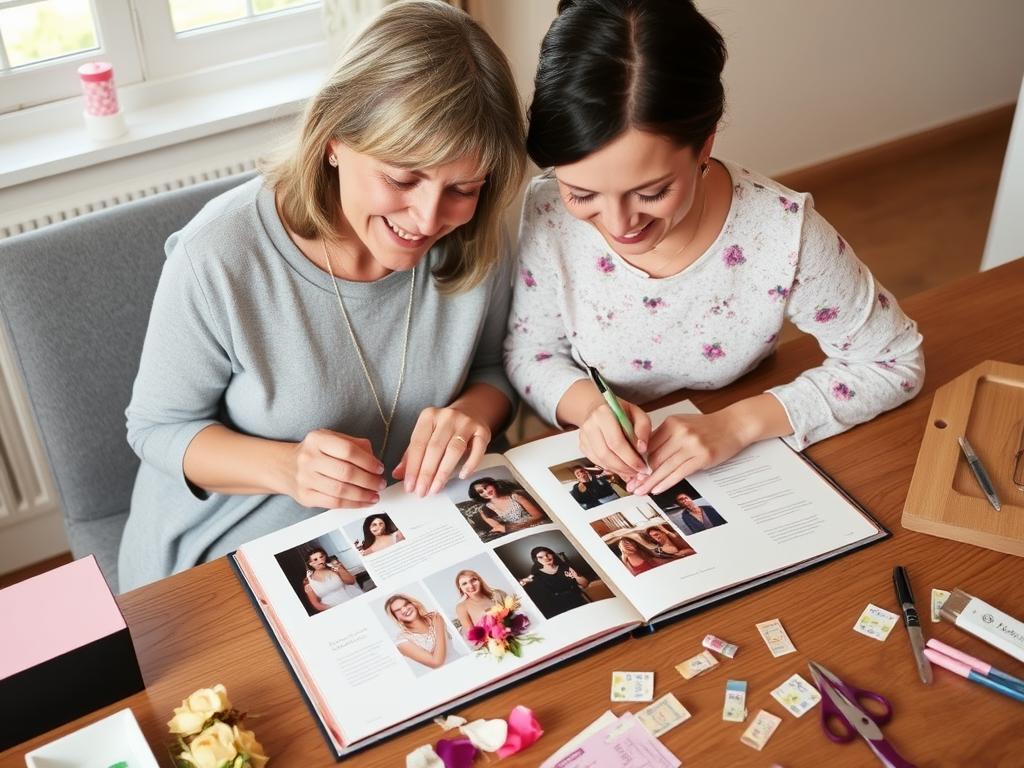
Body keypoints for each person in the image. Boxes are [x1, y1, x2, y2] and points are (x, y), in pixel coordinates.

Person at [119, 0, 526, 590]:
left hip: (415, 532)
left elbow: (495, 367)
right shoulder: (218, 256)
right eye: (402, 178)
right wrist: (288, 468)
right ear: (333, 139)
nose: (429, 217)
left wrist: (472, 414)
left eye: (462, 187)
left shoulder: (477, 230)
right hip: (239, 551)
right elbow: (156, 428)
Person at [504, 0, 924, 501]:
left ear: (704, 144)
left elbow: (893, 361)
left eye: (652, 192)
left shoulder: (781, 233)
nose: (619, 225)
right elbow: (530, 352)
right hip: (582, 452)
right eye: (584, 194)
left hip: (733, 438)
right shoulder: (550, 209)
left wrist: (740, 423)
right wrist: (590, 408)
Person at [385, 593, 458, 670]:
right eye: (398, 610)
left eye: (406, 604)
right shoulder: (402, 642)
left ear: (413, 604)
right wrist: (439, 627)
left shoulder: (435, 616)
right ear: (396, 617)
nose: (404, 609)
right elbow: (436, 663)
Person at [519, 546, 589, 617]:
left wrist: (576, 576)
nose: (546, 558)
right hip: (557, 606)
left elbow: (585, 584)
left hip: (576, 600)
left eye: (547, 554)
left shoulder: (566, 567)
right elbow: (523, 583)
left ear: (552, 554)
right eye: (540, 557)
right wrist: (524, 582)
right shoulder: (536, 574)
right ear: (536, 560)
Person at [468, 477, 547, 533]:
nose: (486, 492)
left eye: (486, 487)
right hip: (517, 532)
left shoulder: (515, 496)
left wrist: (512, 527)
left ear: (493, 485)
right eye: (481, 492)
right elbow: (498, 528)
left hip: (536, 526)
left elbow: (538, 515)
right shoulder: (485, 510)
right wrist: (509, 528)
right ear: (479, 495)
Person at [303, 546, 361, 612]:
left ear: (325, 557)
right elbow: (316, 604)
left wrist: (339, 569)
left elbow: (351, 581)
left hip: (351, 600)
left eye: (321, 557)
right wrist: (334, 608)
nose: (320, 560)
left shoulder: (335, 568)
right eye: (315, 559)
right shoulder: (308, 581)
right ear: (310, 563)